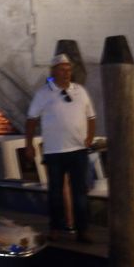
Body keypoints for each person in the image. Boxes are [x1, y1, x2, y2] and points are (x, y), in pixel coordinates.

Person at [25, 53, 95, 241]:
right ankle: (55, 228)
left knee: (80, 192)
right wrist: (29, 144)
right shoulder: (43, 93)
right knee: (55, 192)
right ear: (54, 71)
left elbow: (91, 117)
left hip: (78, 150)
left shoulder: (80, 91)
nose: (66, 73)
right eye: (62, 69)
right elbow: (31, 119)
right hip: (54, 151)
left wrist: (90, 136)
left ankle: (83, 230)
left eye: (68, 69)